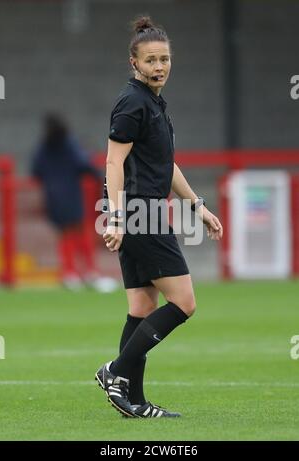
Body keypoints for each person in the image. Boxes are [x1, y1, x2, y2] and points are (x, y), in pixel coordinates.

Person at [95, 16, 223, 418]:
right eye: (150, 60)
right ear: (134, 63)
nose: (159, 66)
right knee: (184, 303)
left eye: (164, 59)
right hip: (139, 213)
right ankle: (115, 373)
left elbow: (164, 165)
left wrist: (197, 205)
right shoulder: (133, 102)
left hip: (141, 211)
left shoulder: (152, 103)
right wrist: (116, 217)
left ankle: (132, 401)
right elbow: (113, 162)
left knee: (142, 306)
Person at [31, 113, 118, 292]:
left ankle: (70, 274)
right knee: (81, 233)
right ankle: (90, 273)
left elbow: (35, 171)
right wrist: (101, 177)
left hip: (53, 196)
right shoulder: (69, 144)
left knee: (64, 235)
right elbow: (84, 164)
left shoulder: (43, 147)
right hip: (71, 194)